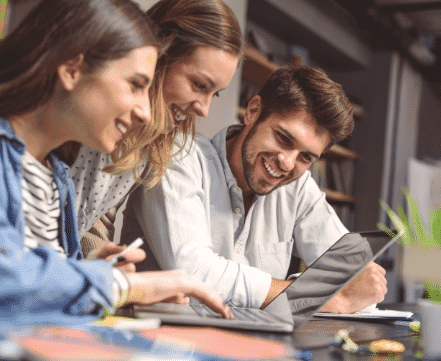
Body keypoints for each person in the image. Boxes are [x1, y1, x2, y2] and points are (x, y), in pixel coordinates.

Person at [0, 0, 231, 327]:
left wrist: (86, 269)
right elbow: (8, 280)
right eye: (136, 85)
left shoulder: (57, 177)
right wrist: (125, 285)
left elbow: (34, 278)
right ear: (71, 68)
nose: (146, 112)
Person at [123, 66, 388, 312]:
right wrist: (317, 296)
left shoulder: (299, 187)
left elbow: (360, 286)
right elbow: (195, 275)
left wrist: (330, 295)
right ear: (253, 111)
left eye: (306, 157)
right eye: (283, 138)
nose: (287, 162)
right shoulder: (177, 155)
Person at [70, 0, 242, 257]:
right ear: (160, 55)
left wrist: (109, 269)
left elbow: (89, 223)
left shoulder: (149, 142)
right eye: (198, 85)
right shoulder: (90, 115)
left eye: (214, 94)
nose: (203, 110)